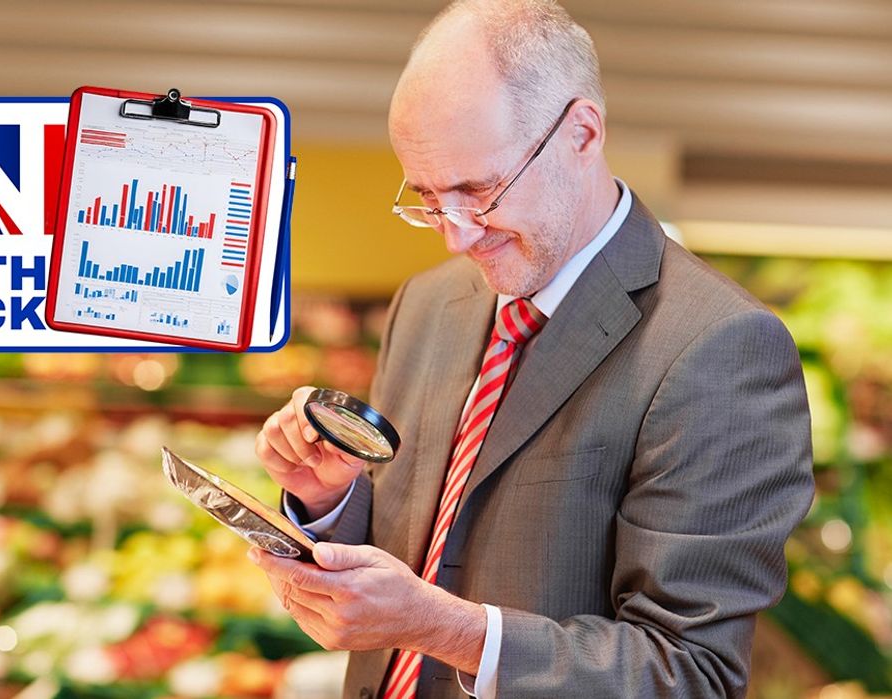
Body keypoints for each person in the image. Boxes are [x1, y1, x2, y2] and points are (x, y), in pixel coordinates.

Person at [248, 1, 815, 697]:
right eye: (427, 197)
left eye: (479, 191)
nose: (454, 234)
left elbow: (688, 672)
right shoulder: (428, 304)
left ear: (581, 132)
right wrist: (328, 497)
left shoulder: (719, 346)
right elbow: (424, 547)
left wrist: (442, 628)